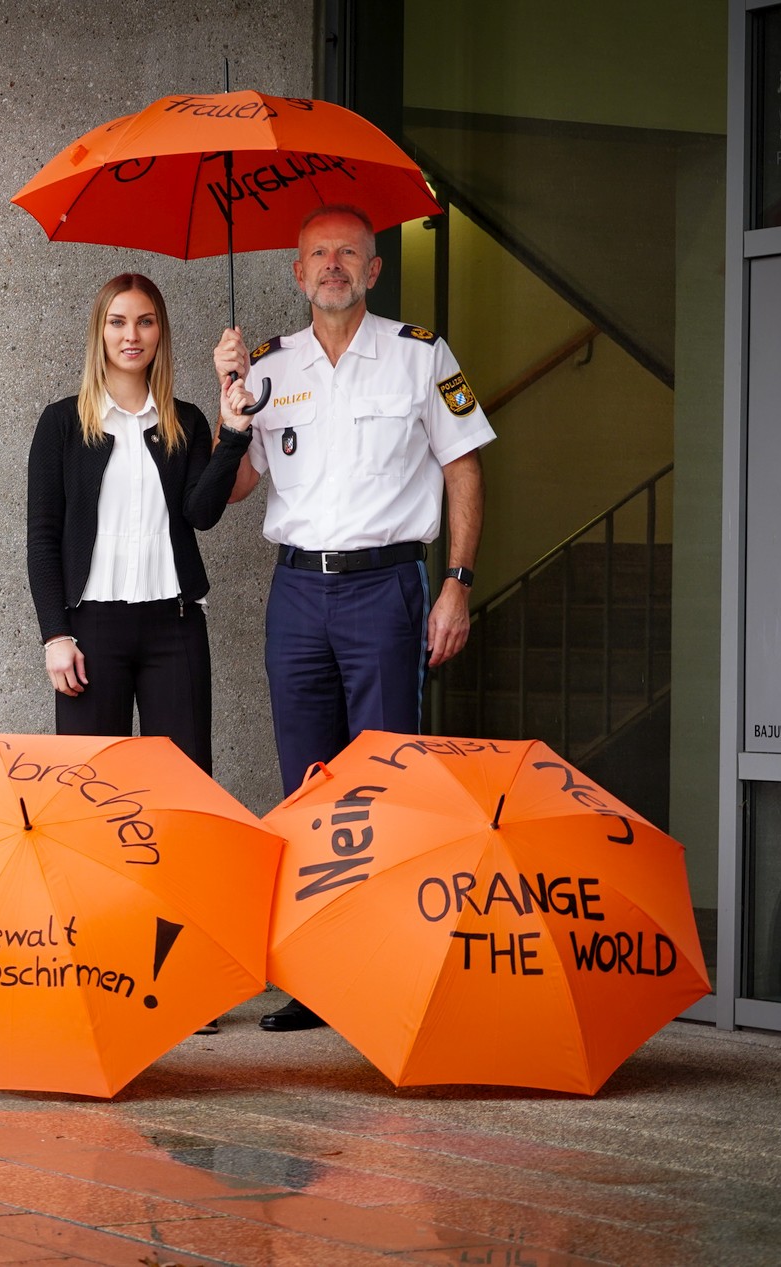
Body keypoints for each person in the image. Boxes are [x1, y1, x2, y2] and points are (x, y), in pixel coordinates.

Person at [215, 204, 495, 1033]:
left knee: (387, 783)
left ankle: (386, 964)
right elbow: (234, 491)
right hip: (298, 594)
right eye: (316, 255)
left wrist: (458, 582)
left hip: (387, 590)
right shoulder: (268, 365)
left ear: (374, 271)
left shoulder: (421, 356)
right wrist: (231, 411)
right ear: (297, 274)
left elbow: (465, 470)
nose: (332, 265)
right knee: (306, 786)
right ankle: (313, 974)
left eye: (348, 253)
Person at [27, 273, 256, 777]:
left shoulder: (187, 421)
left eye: (145, 322)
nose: (131, 335)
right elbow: (42, 538)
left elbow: (203, 513)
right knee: (89, 790)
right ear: (100, 332)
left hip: (173, 629)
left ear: (160, 333)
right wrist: (55, 636)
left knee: (185, 787)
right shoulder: (62, 424)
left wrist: (234, 434)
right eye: (118, 322)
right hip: (89, 633)